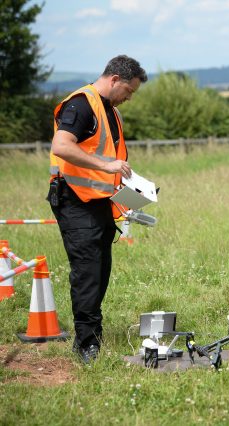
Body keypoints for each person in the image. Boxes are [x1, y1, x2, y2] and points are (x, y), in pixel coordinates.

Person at [48, 55, 147, 362]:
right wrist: (107, 165)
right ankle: (86, 343)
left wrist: (133, 195)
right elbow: (61, 146)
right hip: (75, 201)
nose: (129, 98)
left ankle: (92, 334)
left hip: (98, 202)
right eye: (128, 91)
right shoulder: (81, 104)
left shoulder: (110, 111)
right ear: (115, 79)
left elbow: (105, 161)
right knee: (88, 271)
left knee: (100, 270)